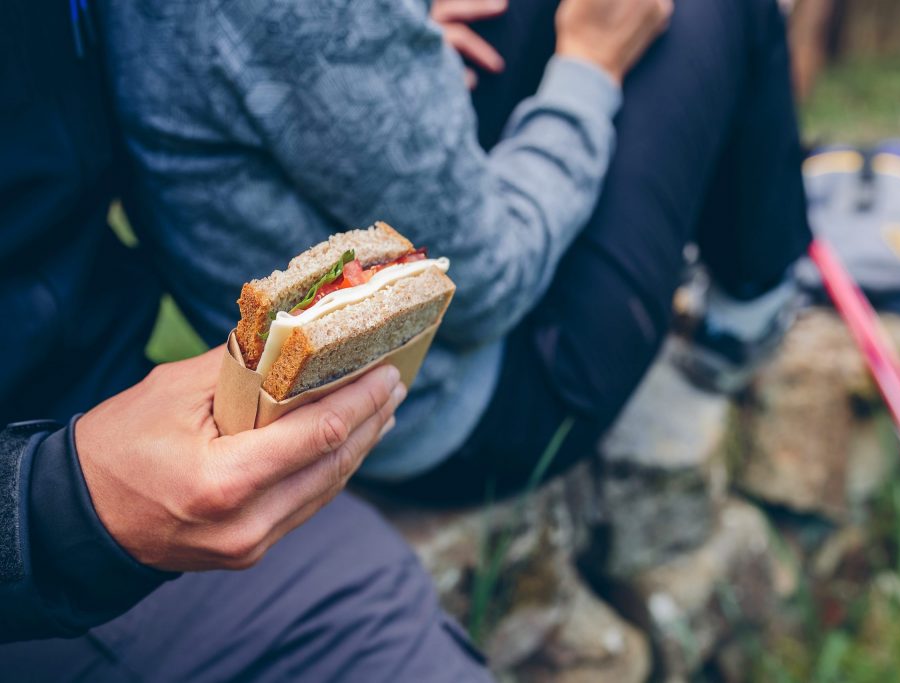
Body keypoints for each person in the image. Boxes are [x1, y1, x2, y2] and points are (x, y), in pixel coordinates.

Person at [98, 0, 810, 504]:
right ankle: (750, 306)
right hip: (461, 407)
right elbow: (487, 284)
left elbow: (289, 50)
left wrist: (399, 36)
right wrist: (588, 70)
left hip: (327, 374)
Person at [0, 2, 492, 680]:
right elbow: (497, 273)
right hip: (37, 568)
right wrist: (55, 509)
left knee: (376, 574)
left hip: (110, 374)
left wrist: (363, 55)